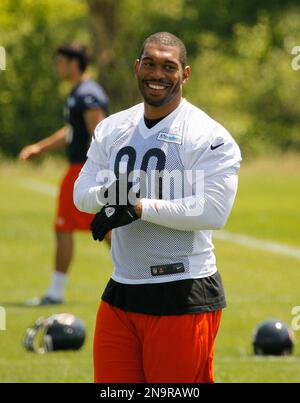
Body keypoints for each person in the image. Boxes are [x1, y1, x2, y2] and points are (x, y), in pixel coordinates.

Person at [74, 32, 241, 383]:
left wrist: (138, 207)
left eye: (169, 66)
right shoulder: (112, 128)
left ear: (185, 73)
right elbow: (82, 194)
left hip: (183, 288)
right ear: (137, 67)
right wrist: (112, 194)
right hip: (122, 288)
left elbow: (213, 211)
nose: (157, 74)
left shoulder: (207, 134)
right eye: (149, 63)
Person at [19, 42, 109, 306]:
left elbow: (99, 131)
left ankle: (56, 292)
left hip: (85, 170)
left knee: (93, 227)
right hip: (79, 169)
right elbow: (72, 131)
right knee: (93, 227)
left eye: (60, 61)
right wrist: (40, 148)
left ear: (73, 62)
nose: (56, 66)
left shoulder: (87, 93)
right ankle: (138, 275)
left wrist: (100, 171)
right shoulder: (78, 92)